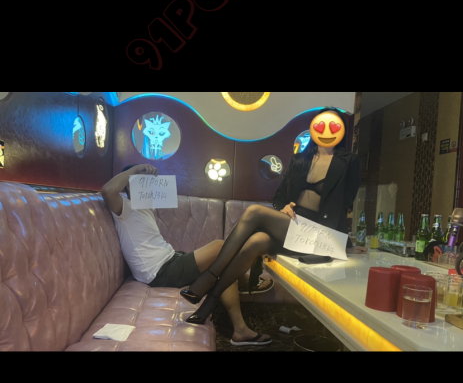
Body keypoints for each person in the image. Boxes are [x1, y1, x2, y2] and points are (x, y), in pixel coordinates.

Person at [182, 107, 367, 326]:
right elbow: (279, 197)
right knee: (256, 241)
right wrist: (284, 208)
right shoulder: (300, 160)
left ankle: (208, 278)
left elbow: (345, 205)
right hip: (295, 227)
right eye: (321, 125)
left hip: (321, 235)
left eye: (334, 126)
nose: (327, 131)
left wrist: (342, 244)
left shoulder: (349, 161)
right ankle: (209, 304)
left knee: (254, 212)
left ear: (341, 130)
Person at [101, 164, 273, 347]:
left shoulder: (144, 207)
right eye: (140, 181)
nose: (147, 185)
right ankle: (245, 284)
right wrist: (134, 171)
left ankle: (240, 329)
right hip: (159, 272)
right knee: (220, 247)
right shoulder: (123, 208)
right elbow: (107, 191)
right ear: (128, 185)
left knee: (224, 265)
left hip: (171, 258)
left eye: (148, 182)